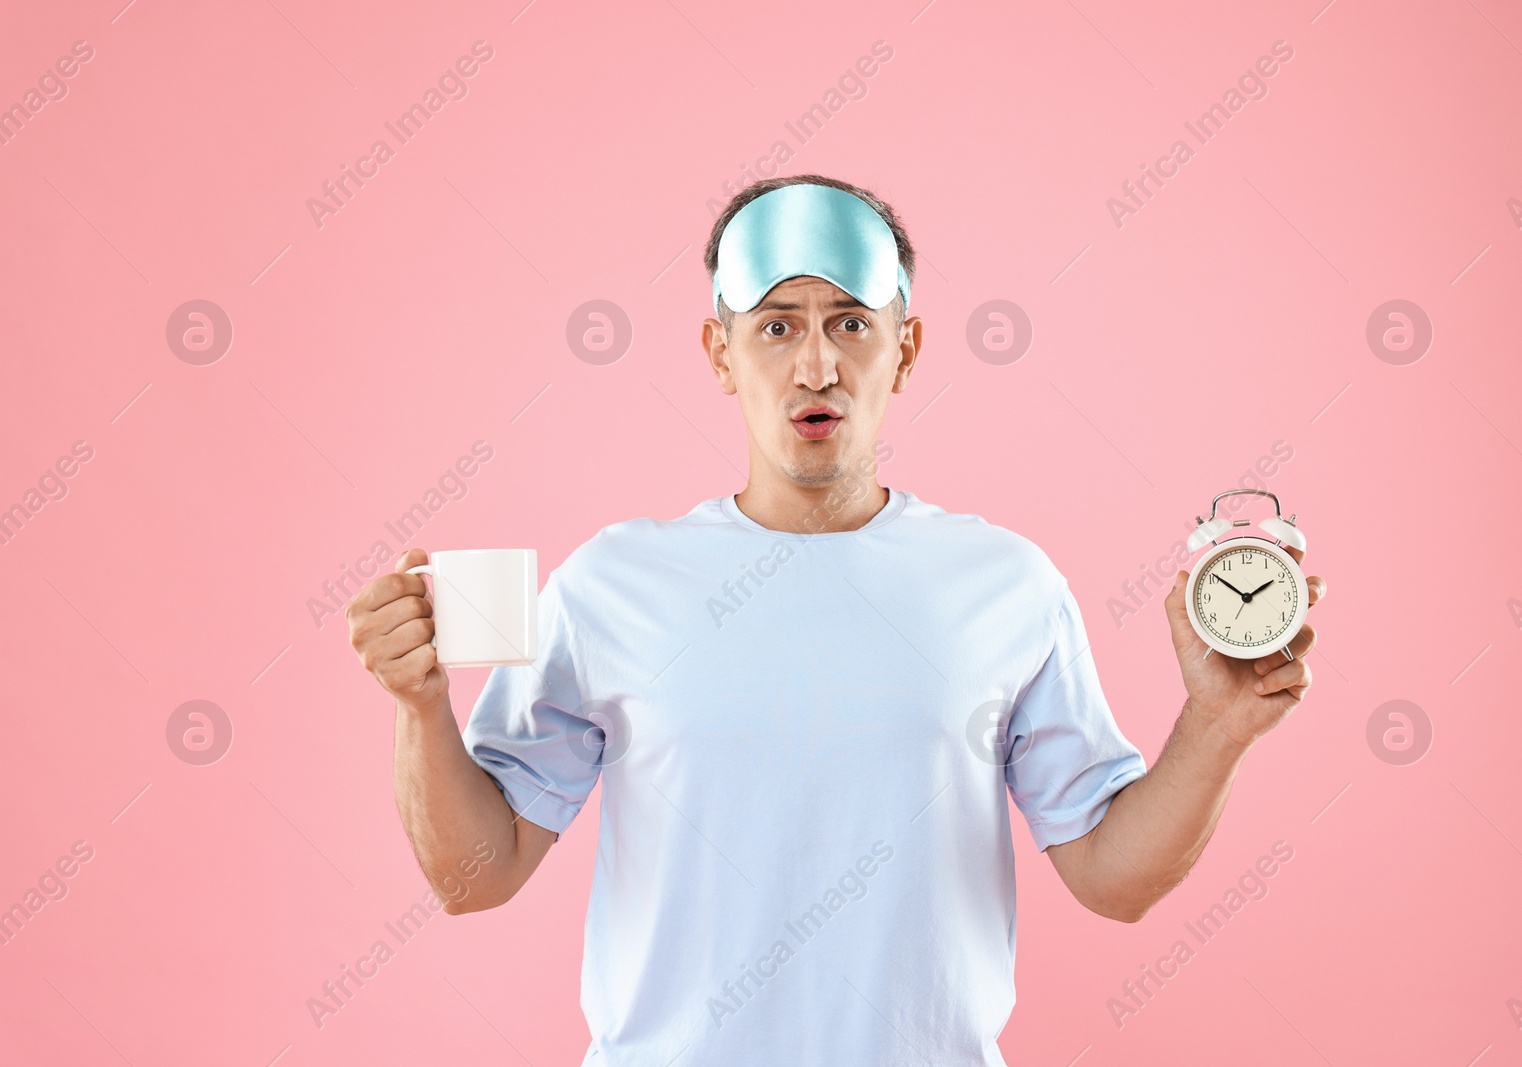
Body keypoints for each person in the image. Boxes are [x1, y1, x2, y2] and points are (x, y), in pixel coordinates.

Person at [346, 174, 1326, 1065]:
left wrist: (1217, 725)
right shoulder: (610, 582)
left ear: (907, 347)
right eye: (775, 325)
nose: (815, 363)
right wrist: (419, 705)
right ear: (717, 351)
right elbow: (475, 874)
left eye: (850, 322)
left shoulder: (1003, 581)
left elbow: (1114, 878)